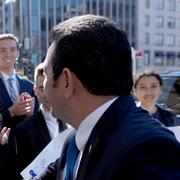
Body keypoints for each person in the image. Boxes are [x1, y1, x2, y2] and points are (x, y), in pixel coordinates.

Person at [40, 14, 180, 179]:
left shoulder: (148, 149)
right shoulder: (75, 140)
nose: (42, 85)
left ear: (67, 81)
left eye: (46, 74)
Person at [16, 63, 67, 173]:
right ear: (35, 91)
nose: (47, 94)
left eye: (52, 86)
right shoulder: (24, 130)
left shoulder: (72, 123)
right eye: (42, 88)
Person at [0, 33, 39, 179]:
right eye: (2, 50)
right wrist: (11, 111)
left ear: (17, 52)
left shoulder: (29, 86)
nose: (7, 53)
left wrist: (30, 114)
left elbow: (38, 122)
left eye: (11, 49)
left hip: (27, 155)